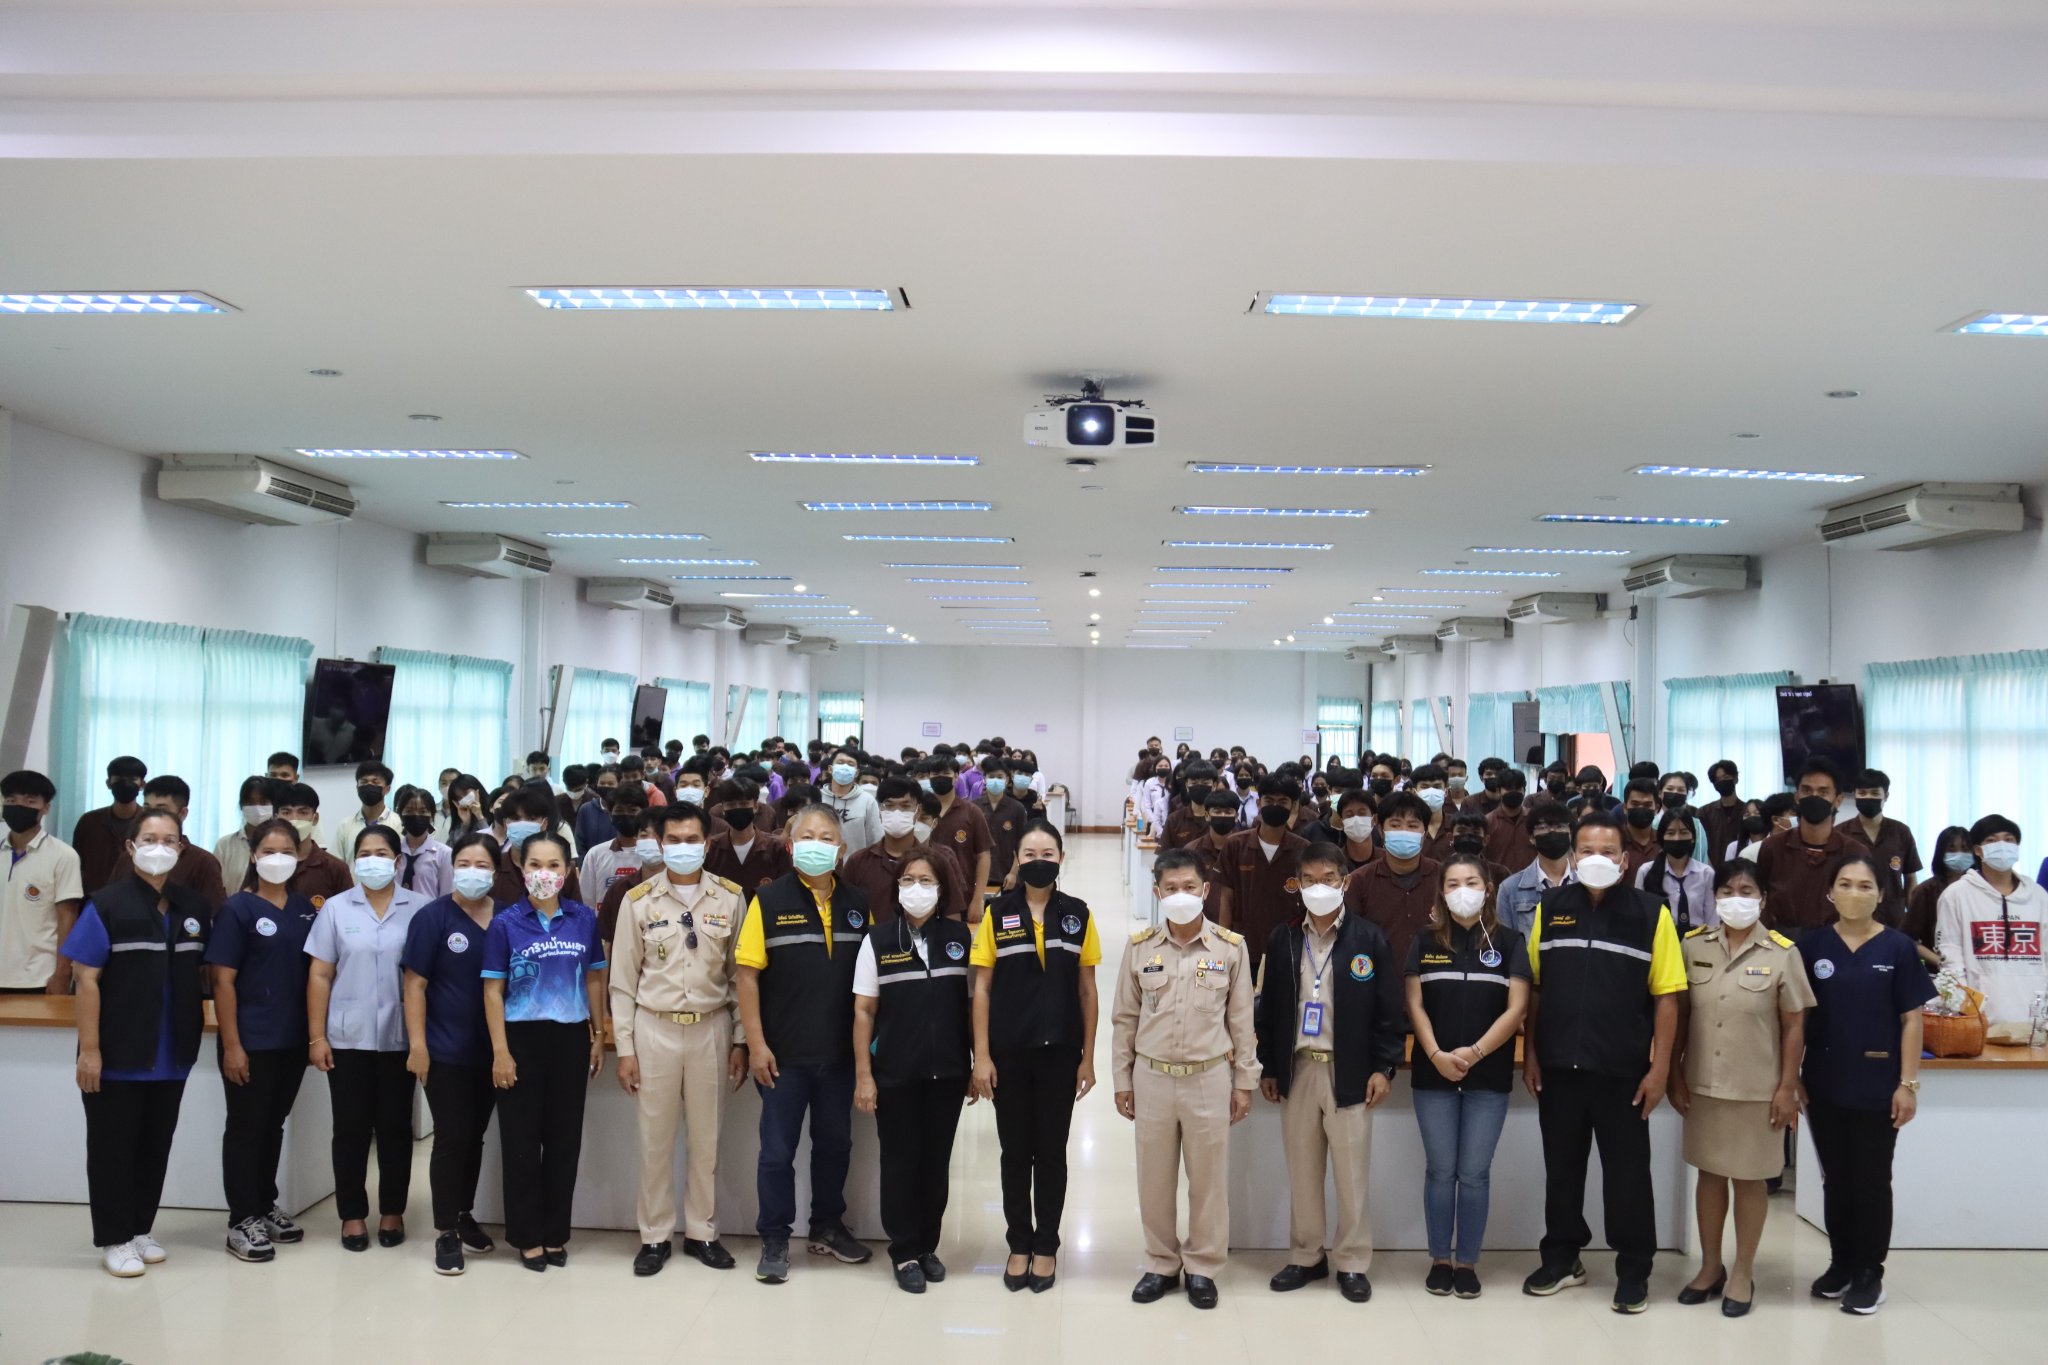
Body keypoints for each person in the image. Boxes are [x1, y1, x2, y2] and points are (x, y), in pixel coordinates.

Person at [1521, 810, 1686, 1314]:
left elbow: (1668, 997)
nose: (1598, 859)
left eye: (1608, 852)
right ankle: (1562, 1257)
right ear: (1573, 857)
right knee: (1562, 1170)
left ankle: (1634, 1270)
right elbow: (1536, 987)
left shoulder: (1651, 913)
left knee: (1628, 1175)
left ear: (1625, 859)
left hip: (1624, 1072)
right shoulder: (1552, 907)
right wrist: (1531, 1054)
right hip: (1559, 1068)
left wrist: (1660, 1070)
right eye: (1588, 851)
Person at [63, 808, 211, 1276]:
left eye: (169, 840)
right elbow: (85, 980)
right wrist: (90, 1049)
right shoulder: (106, 904)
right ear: (130, 847)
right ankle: (114, 1237)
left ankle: (140, 1228)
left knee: (154, 1146)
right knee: (113, 1150)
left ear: (181, 848)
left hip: (172, 1053)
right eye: (149, 839)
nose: (159, 848)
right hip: (116, 1052)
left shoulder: (194, 907)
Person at [1665, 858, 1812, 1316]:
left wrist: (1787, 1087)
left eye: (1746, 891)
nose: (1736, 899)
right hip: (1703, 1084)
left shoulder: (1782, 952)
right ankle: (1711, 1267)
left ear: (1763, 899)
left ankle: (1743, 1272)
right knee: (1709, 1176)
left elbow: (1794, 1026)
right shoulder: (1693, 945)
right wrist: (1673, 1073)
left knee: (1750, 1181)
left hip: (1757, 1088)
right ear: (1715, 898)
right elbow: (1680, 1016)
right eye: (1727, 891)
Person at [1256, 845, 1402, 1303]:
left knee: (1351, 1174)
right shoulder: (1283, 938)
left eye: (1329, 878)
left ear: (1345, 881)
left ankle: (1352, 1261)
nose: (1319, 887)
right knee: (1302, 1171)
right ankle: (1306, 1256)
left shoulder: (1369, 940)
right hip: (1299, 1069)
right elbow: (1267, 1009)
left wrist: (1384, 1066)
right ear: (1297, 884)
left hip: (1350, 1071)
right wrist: (1269, 1065)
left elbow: (1389, 1011)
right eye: (1310, 879)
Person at [735, 805, 874, 1283]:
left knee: (835, 1144)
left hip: (839, 1055)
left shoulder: (858, 904)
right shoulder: (768, 901)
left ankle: (827, 1226)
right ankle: (774, 1236)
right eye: (808, 837)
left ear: (842, 849)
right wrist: (756, 1044)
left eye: (827, 837)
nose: (818, 844)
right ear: (792, 847)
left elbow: (868, 985)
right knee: (776, 1152)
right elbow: (747, 976)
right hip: (783, 1055)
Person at [1115, 848, 1258, 1310]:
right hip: (1152, 1076)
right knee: (1154, 1180)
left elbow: (1242, 1021)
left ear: (1206, 891)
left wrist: (1244, 1082)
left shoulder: (1230, 948)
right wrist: (1122, 1079)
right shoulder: (1140, 947)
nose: (1181, 895)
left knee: (1209, 1181)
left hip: (1208, 1077)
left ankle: (1202, 1266)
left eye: (1190, 887)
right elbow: (1125, 1018)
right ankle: (1161, 1262)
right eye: (1171, 888)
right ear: (1158, 893)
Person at [610, 806, 749, 1278]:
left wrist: (741, 1040)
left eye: (692, 839)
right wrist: (625, 1049)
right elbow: (622, 983)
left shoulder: (730, 897)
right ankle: (654, 1236)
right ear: (660, 843)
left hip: (711, 1028)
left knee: (707, 1140)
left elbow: (738, 977)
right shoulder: (638, 900)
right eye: (674, 839)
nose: (683, 847)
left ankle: (702, 1232)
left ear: (707, 844)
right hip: (655, 1028)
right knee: (655, 1141)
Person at [1800, 852, 1934, 1315]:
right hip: (1824, 1082)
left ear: (1880, 895)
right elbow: (1796, 1019)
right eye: (1845, 884)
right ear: (1829, 892)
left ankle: (1869, 1273)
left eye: (1864, 886)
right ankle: (1841, 1263)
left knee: (1872, 1180)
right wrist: (1792, 1077)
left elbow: (1912, 1020)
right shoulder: (1812, 946)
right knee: (1836, 1179)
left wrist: (1908, 1084)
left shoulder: (1898, 948)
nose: (1853, 893)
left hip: (1878, 1084)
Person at [972, 820, 1100, 1292]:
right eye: (1029, 854)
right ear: (1017, 860)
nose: (1038, 861)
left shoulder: (1078, 914)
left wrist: (1087, 1058)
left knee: (1051, 1152)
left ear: (1061, 858)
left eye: (1048, 853)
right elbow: (982, 988)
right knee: (1014, 1153)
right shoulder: (997, 912)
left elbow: (1087, 991)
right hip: (1009, 1054)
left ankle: (1046, 1245)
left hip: (1060, 1054)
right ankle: (1018, 1244)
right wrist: (981, 1056)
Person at [1404, 854, 1530, 1298]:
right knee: (1441, 1171)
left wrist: (1475, 1053)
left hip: (1488, 1075)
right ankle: (1441, 1259)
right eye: (1453, 883)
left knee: (1474, 1173)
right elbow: (1415, 1004)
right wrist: (1436, 1054)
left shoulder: (1510, 942)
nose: (1463, 890)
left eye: (1472, 882)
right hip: (1433, 1073)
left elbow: (1517, 1007)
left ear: (1488, 889)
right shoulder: (1423, 941)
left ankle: (1467, 1262)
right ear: (1441, 892)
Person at [481, 830, 608, 1270]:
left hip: (570, 1039)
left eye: (554, 865)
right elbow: (492, 991)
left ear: (569, 870)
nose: (544, 873)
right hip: (520, 1039)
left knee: (563, 1142)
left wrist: (598, 1033)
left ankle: (555, 1233)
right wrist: (500, 1052)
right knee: (520, 1142)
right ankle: (526, 1236)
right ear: (521, 867)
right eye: (535, 864)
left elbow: (594, 977)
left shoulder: (583, 919)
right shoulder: (505, 923)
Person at [853, 848, 976, 1293]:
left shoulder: (960, 938)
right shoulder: (878, 939)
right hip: (895, 1073)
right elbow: (864, 1011)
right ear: (897, 888)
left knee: (935, 1163)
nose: (916, 889)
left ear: (942, 890)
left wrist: (975, 1062)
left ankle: (927, 1245)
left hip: (948, 1073)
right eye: (908, 880)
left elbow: (972, 1005)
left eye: (926, 881)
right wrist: (865, 1076)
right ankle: (904, 1250)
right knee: (900, 1162)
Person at [305, 825, 429, 1251]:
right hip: (347, 1038)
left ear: (397, 861)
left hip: (401, 1037)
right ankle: (352, 1215)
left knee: (395, 1127)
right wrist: (316, 1037)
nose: (372, 860)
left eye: (381, 853)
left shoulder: (420, 909)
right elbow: (320, 975)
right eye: (364, 853)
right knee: (351, 1129)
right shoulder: (336, 908)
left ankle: (393, 1211)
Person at [206, 818, 320, 1262]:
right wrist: (232, 1045)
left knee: (272, 1125)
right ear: (253, 856)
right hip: (250, 1039)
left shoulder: (304, 909)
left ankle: (264, 1203)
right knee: (246, 1127)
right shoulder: (237, 909)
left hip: (290, 1040)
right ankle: (242, 1219)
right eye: (268, 851)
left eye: (286, 851)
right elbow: (223, 982)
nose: (278, 859)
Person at [401, 832, 504, 1275]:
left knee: (474, 1135)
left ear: (496, 871)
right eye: (463, 863)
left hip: (495, 1051)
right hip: (444, 1049)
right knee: (451, 1135)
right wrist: (418, 1046)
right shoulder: (433, 918)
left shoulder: (507, 918)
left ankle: (463, 1213)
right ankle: (445, 1230)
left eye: (482, 865)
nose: (472, 872)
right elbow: (414, 984)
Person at [1936, 814, 2047, 1029]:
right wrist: (1966, 1013)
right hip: (1978, 1021)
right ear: (1978, 850)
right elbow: (1951, 960)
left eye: (2009, 839)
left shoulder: (2039, 896)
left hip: (2035, 1023)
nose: (2002, 845)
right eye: (1992, 840)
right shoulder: (1956, 895)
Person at [1, 769, 85, 993]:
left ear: (46, 807)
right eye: (11, 800)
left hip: (39, 977)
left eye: (30, 801)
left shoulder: (63, 856)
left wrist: (62, 974)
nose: (19, 806)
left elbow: (68, 917)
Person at [1216, 775, 1309, 976]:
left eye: (1282, 801)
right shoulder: (1235, 845)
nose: (1275, 806)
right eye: (1269, 800)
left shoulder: (1303, 849)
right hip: (1243, 944)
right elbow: (1226, 898)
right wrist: (1224, 941)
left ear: (1293, 806)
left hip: (1289, 948)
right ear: (1259, 803)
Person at [1342, 791, 1440, 973]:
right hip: (1378, 979)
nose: (1404, 831)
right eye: (1395, 825)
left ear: (1425, 833)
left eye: (1412, 826)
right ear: (1381, 830)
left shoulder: (1443, 878)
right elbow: (1350, 939)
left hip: (1434, 980)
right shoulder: (1359, 881)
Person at [1756, 758, 1854, 932]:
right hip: (1780, 941)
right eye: (1807, 790)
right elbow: (1761, 899)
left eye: (1823, 792)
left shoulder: (1854, 852)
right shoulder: (1772, 847)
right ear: (1797, 797)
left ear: (1838, 800)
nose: (1814, 797)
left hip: (1836, 941)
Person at [106, 776, 229, 907]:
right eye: (147, 809)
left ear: (182, 813)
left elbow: (214, 911)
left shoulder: (203, 862)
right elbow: (109, 902)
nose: (153, 817)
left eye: (162, 810)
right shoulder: (129, 857)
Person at [1840, 769, 1921, 922]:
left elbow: (1910, 878)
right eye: (1862, 793)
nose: (1868, 797)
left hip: (1894, 918)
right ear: (1854, 794)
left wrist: (1913, 917)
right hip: (1852, 917)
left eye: (1875, 793)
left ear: (1886, 796)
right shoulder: (1841, 833)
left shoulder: (1901, 832)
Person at [70, 755, 148, 893]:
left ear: (142, 785)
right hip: (95, 899)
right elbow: (76, 866)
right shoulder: (89, 822)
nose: (125, 784)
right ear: (108, 783)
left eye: (132, 779)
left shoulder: (151, 822)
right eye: (118, 779)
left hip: (140, 898)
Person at [1498, 799, 1574, 936]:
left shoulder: (1586, 884)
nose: (1552, 832)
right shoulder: (1510, 889)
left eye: (1560, 826)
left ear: (1571, 834)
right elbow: (1505, 942)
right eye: (1543, 827)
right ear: (1532, 837)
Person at [922, 758, 994, 905]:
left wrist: (978, 899)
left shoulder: (972, 812)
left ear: (956, 777)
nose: (940, 777)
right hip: (922, 892)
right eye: (935, 774)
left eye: (946, 773)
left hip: (962, 895)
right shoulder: (919, 811)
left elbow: (983, 856)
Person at [1635, 810, 1717, 934]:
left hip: (1698, 940)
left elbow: (1712, 919)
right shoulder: (1645, 871)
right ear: (1662, 838)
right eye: (1670, 833)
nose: (1677, 838)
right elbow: (1640, 917)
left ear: (1693, 838)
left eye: (1684, 832)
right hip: (1660, 940)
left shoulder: (1706, 873)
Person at [1902, 825, 1971, 968]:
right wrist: (1942, 963)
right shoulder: (1926, 891)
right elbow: (1908, 939)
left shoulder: (1981, 889)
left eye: (1965, 849)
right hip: (1941, 972)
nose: (1959, 854)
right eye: (1951, 849)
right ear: (1941, 852)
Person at [704, 779, 789, 893]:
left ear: (755, 806)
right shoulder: (711, 848)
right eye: (731, 805)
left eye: (744, 804)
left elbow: (785, 889)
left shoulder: (776, 847)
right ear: (723, 809)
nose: (737, 808)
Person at [275, 783, 353, 902]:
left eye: (303, 812)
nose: (294, 819)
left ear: (315, 818)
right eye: (286, 813)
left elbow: (348, 910)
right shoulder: (267, 863)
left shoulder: (335, 868)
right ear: (276, 818)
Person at [579, 782, 655, 900]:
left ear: (644, 814)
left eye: (632, 810)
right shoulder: (595, 854)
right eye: (619, 810)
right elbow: (586, 900)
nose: (626, 815)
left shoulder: (655, 854)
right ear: (610, 815)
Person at [978, 756, 1031, 912]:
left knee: (1008, 918)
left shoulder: (1017, 808)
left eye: (1000, 777)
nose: (995, 780)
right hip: (981, 877)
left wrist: (1014, 873)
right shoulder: (974, 807)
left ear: (1008, 780)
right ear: (985, 779)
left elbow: (1022, 844)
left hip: (1008, 876)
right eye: (991, 776)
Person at [213, 775, 277, 894]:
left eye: (263, 802)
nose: (257, 807)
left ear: (273, 806)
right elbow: (215, 887)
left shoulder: (281, 845)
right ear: (242, 806)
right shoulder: (224, 845)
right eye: (250, 802)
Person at [331, 760, 399, 861]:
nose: (369, 785)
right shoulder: (345, 826)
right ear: (357, 788)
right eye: (364, 782)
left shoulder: (398, 824)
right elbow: (336, 864)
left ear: (387, 789)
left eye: (375, 782)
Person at [817, 748, 882, 852]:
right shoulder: (817, 797)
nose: (845, 767)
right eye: (840, 762)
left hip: (855, 860)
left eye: (850, 764)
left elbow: (875, 839)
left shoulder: (867, 801)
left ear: (857, 772)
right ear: (830, 769)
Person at [1697, 762, 1746, 870]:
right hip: (1711, 869)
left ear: (1735, 779)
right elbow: (1700, 845)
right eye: (1718, 779)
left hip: (1742, 868)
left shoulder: (1747, 811)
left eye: (1726, 777)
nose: (1722, 781)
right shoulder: (1704, 812)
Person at [1482, 769, 1534, 870]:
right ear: (1499, 791)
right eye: (1508, 788)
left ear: (1524, 790)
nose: (1513, 792)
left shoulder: (1535, 819)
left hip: (1532, 878)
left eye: (1518, 788)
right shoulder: (1488, 822)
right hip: (1499, 878)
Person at [1331, 789, 1379, 873]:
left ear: (1374, 819)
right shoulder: (1333, 862)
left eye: (1362, 813)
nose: (1356, 820)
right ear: (1342, 822)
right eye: (1349, 815)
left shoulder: (1388, 860)